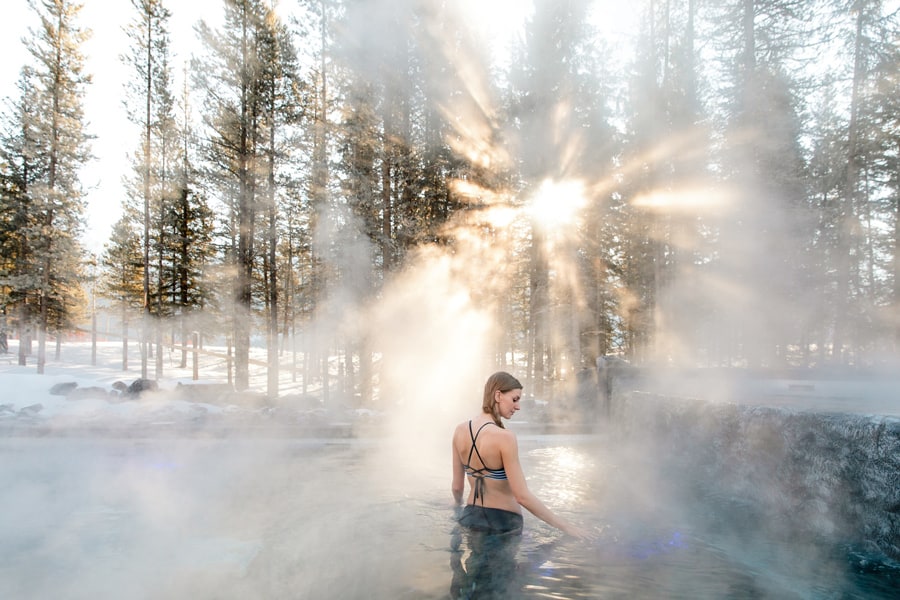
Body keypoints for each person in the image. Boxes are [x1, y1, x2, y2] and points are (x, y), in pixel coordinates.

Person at [451, 371, 587, 538]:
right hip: (503, 523)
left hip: (470, 518)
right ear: (498, 395)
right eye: (515, 399)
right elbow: (522, 497)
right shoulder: (505, 437)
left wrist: (458, 507)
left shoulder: (460, 431)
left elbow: (457, 488)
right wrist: (566, 527)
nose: (518, 406)